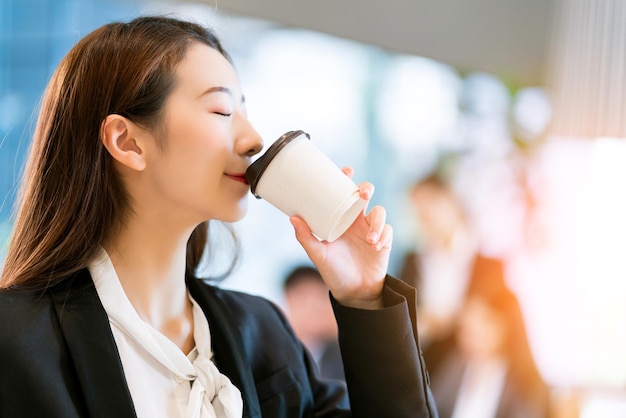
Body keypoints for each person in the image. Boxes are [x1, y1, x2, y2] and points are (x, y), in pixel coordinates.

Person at [0, 15, 438, 418]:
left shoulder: (264, 336)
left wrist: (363, 295)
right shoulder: (17, 342)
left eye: (244, 111)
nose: (253, 139)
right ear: (127, 142)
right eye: (222, 111)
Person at [429, 262, 551, 418]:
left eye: (478, 333)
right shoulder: (457, 364)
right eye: (465, 331)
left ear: (504, 328)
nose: (468, 341)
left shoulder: (526, 383)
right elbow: (431, 408)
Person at [282, 265, 345, 382]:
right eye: (305, 299)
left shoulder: (344, 357)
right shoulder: (277, 356)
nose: (317, 308)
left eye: (322, 298)